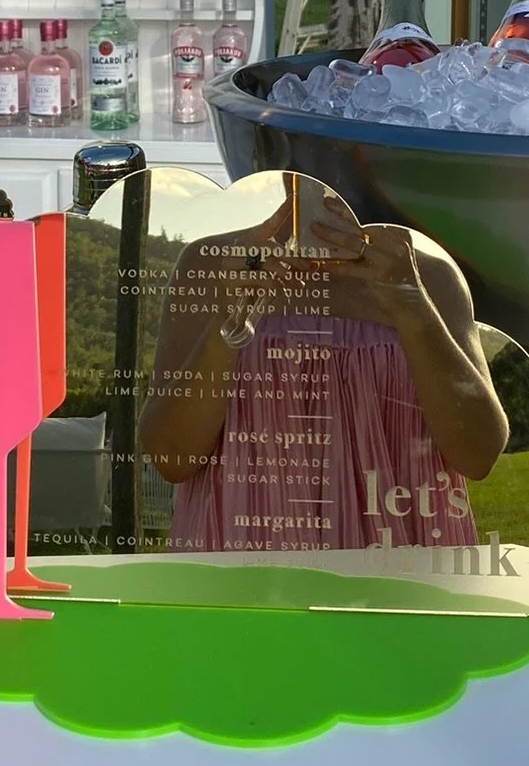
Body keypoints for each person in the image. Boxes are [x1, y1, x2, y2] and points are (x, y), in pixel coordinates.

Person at [140, 177, 508, 553]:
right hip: (246, 560)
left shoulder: (430, 277)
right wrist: (229, 318)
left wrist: (414, 308)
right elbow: (173, 459)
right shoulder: (214, 264)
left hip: (396, 561)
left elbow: (478, 456)